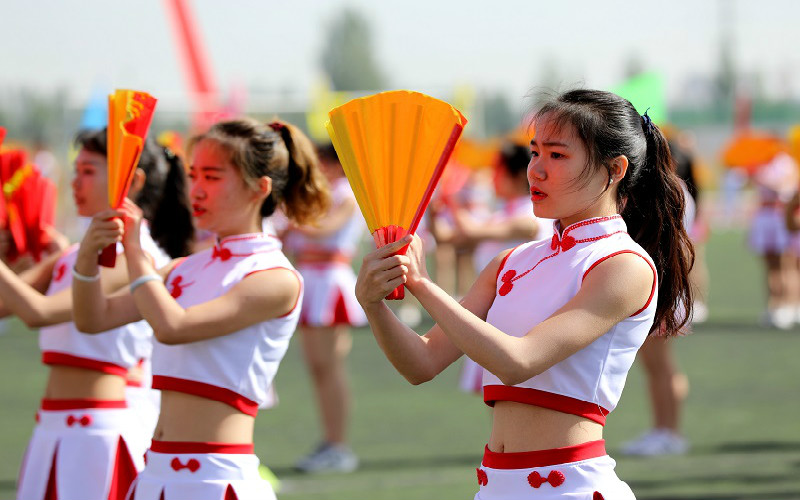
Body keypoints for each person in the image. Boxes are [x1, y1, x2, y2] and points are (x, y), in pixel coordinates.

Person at [355, 89, 693, 499]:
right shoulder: (510, 262)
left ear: (614, 169)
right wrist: (373, 304)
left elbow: (519, 361)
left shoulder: (624, 265)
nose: (535, 170)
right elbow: (421, 363)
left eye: (557, 155)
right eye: (534, 153)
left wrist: (423, 286)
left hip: (570, 487)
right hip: (495, 485)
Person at [71, 118, 329, 499]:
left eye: (212, 176)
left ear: (259, 188)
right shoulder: (185, 268)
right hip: (153, 474)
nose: (197, 189)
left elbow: (174, 327)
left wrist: (136, 251)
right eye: (194, 174)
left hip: (216, 480)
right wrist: (88, 258)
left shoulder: (275, 277)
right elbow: (94, 319)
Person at [10, 129, 193, 500]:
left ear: (133, 180)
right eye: (75, 170)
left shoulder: (136, 260)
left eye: (89, 171)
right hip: (52, 427)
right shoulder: (74, 253)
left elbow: (37, 312)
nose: (75, 182)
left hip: (99, 433)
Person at [283, 144, 365, 473]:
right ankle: (331, 442)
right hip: (311, 278)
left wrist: (291, 219)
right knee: (320, 368)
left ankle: (337, 445)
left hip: (329, 278)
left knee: (328, 367)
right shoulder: (324, 192)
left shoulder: (346, 191)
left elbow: (325, 230)